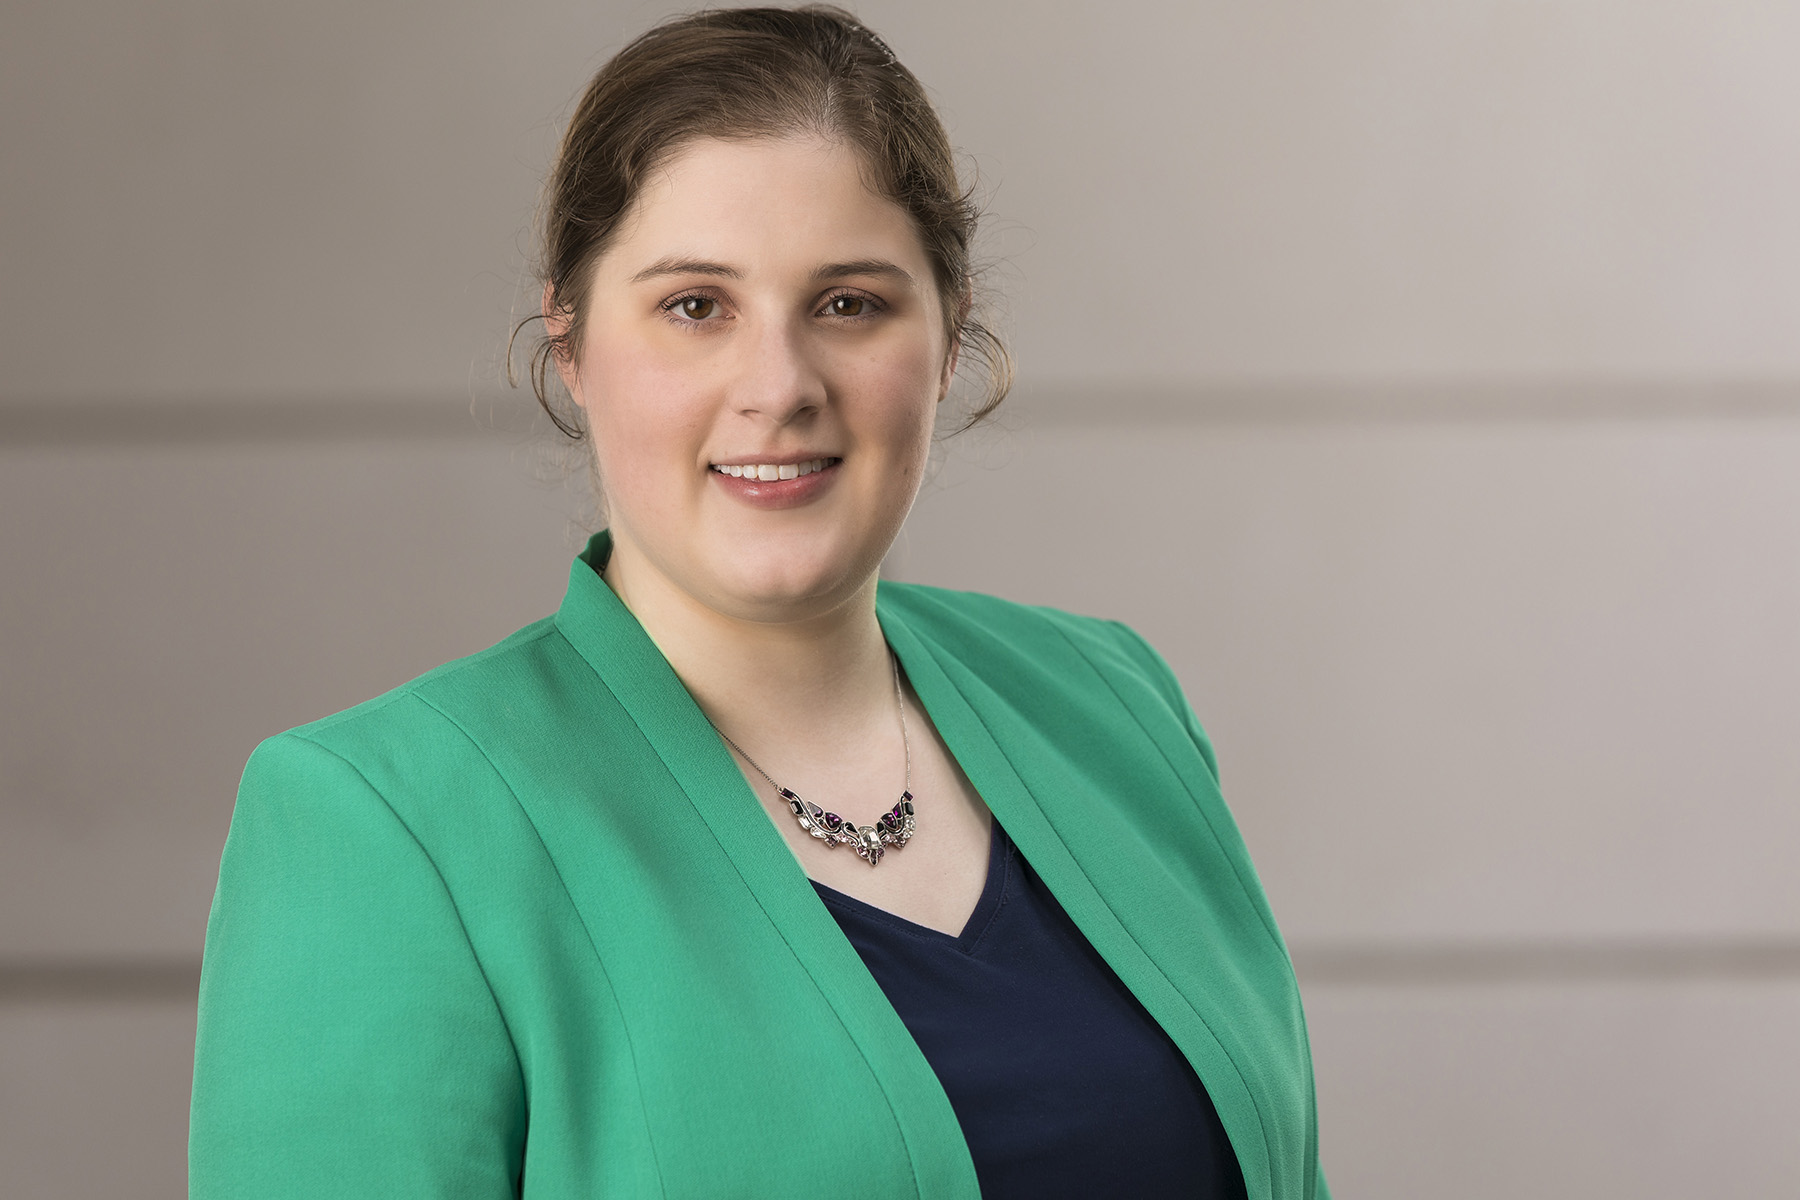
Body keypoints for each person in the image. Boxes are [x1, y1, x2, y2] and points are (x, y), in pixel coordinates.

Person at [188, 7, 1330, 1198]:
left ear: (948, 339)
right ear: (571, 344)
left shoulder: (1112, 703)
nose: (778, 387)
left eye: (849, 303)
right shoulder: (381, 821)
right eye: (696, 307)